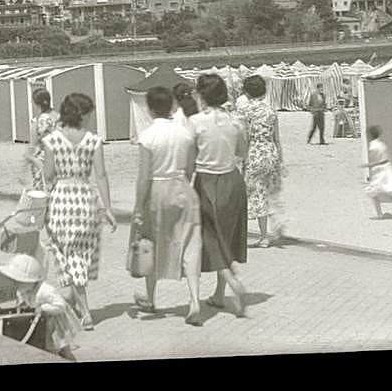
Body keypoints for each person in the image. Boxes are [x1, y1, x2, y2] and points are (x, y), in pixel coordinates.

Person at [41, 92, 116, 330]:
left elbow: (48, 175)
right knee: (81, 253)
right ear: (81, 114)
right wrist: (108, 208)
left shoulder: (52, 140)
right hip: (86, 200)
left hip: (61, 200)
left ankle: (85, 311)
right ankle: (76, 300)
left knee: (66, 252)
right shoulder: (94, 141)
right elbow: (101, 175)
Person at [131, 86, 203, 326]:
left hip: (158, 191)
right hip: (183, 187)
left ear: (150, 108)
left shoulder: (148, 136)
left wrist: (139, 207)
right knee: (191, 246)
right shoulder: (184, 133)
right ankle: (194, 301)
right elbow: (192, 167)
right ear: (172, 105)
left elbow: (143, 177)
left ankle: (151, 299)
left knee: (151, 243)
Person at [189, 73, 249, 318]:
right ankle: (219, 293)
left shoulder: (195, 122)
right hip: (233, 181)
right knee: (226, 236)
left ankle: (231, 281)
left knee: (209, 237)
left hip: (207, 180)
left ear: (203, 95)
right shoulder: (236, 121)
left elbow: (189, 156)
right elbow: (242, 153)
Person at [0, 253, 80, 361]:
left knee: (62, 350)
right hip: (42, 322)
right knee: (47, 348)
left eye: (18, 282)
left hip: (56, 324)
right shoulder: (24, 290)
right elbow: (24, 302)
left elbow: (61, 305)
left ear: (30, 281)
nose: (15, 285)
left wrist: (44, 308)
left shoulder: (45, 291)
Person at [236, 75, 283, 249]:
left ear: (247, 92)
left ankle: (262, 236)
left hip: (254, 153)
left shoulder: (245, 112)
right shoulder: (271, 110)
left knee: (256, 196)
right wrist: (281, 161)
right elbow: (277, 139)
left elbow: (245, 138)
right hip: (271, 152)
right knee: (269, 193)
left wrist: (242, 159)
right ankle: (272, 230)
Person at [24, 88, 56, 191]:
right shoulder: (59, 117)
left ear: (36, 103)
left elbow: (32, 145)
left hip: (42, 159)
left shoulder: (37, 120)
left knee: (41, 192)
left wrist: (25, 162)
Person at [306, 81, 328, 146]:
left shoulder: (323, 95)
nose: (321, 89)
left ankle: (322, 140)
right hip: (316, 113)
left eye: (322, 88)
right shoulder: (313, 95)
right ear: (317, 88)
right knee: (314, 127)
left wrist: (325, 108)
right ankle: (309, 139)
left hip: (321, 113)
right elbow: (309, 104)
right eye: (320, 88)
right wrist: (312, 111)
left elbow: (324, 104)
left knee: (322, 127)